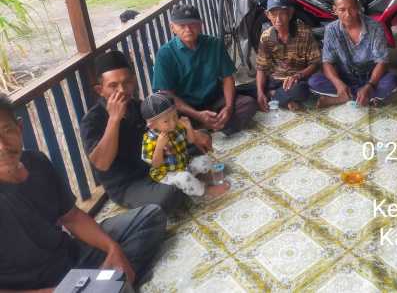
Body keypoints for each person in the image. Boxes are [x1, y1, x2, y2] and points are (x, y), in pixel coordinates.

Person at [0, 93, 166, 291]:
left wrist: (112, 248)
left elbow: (72, 218)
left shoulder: (37, 162)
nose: (2, 146)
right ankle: (114, 283)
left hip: (72, 259)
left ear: (19, 128)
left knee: (150, 217)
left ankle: (111, 282)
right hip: (34, 288)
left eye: (6, 131)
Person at [80, 50, 211, 213]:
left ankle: (186, 180)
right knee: (169, 197)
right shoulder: (92, 121)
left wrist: (193, 135)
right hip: (129, 184)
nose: (121, 90)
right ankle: (184, 184)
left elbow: (165, 130)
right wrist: (114, 120)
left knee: (200, 139)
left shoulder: (138, 106)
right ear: (100, 90)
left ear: (134, 81)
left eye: (127, 82)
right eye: (113, 86)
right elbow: (102, 163)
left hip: (156, 168)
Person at [152, 4, 257, 133]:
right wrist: (197, 115)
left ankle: (208, 129)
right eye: (182, 26)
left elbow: (227, 78)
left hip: (215, 100)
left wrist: (229, 107)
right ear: (172, 28)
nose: (188, 29)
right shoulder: (165, 54)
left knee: (248, 103)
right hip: (187, 108)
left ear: (201, 25)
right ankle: (212, 128)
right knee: (169, 126)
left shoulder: (214, 44)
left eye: (193, 24)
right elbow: (167, 94)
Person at [308, 0, 397, 108]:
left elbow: (382, 62)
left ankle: (344, 97)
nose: (348, 14)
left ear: (358, 7)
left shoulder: (375, 27)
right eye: (342, 10)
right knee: (314, 81)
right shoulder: (331, 30)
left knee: (391, 80)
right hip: (345, 77)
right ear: (335, 10)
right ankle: (364, 96)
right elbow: (327, 62)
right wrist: (338, 84)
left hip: (371, 77)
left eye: (352, 8)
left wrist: (370, 85)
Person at [141, 92, 230, 198]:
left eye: (175, 116)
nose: (173, 123)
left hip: (184, 164)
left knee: (205, 160)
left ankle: (203, 177)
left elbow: (191, 141)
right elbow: (155, 164)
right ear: (152, 125)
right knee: (184, 178)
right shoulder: (150, 140)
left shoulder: (176, 127)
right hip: (168, 174)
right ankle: (205, 190)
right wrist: (159, 146)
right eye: (166, 121)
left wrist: (189, 128)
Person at [250, 0, 320, 112]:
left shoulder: (304, 32)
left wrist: (298, 75)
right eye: (273, 14)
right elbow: (261, 68)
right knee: (243, 90)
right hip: (274, 80)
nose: (278, 19)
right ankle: (277, 96)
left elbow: (315, 63)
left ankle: (273, 95)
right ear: (267, 15)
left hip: (296, 81)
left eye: (282, 13)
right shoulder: (266, 37)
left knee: (302, 91)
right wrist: (260, 92)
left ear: (290, 13)